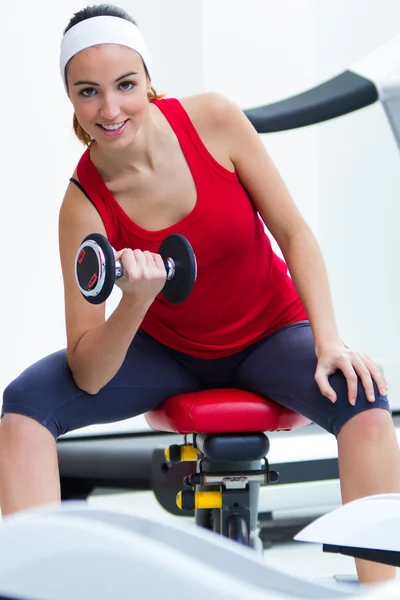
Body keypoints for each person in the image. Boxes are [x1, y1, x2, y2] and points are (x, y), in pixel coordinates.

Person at [0, 3, 398, 584]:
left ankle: (382, 591)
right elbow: (87, 371)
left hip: (270, 332)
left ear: (149, 81)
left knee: (363, 404)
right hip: (169, 353)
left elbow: (294, 232)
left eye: (125, 85)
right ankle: (34, 589)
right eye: (88, 92)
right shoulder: (82, 205)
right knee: (23, 410)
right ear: (70, 98)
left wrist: (328, 339)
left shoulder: (214, 120)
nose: (109, 109)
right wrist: (134, 300)